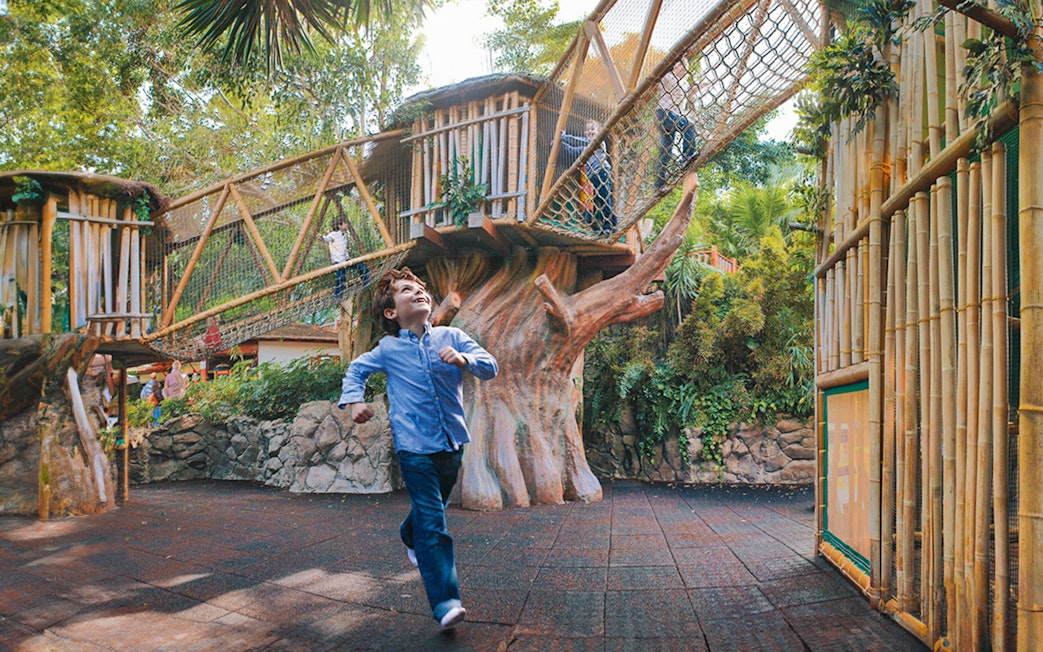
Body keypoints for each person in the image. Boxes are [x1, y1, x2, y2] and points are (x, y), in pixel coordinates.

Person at [338, 267, 498, 630]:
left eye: (421, 288)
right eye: (407, 290)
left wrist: (465, 360)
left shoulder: (452, 336)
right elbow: (356, 371)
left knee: (429, 514)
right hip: (413, 449)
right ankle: (445, 601)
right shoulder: (388, 349)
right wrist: (352, 402)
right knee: (434, 524)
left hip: (451, 445)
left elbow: (491, 367)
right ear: (391, 312)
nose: (418, 292)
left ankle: (409, 533)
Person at [559, 119, 617, 234]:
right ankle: (603, 226)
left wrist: (564, 137)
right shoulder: (585, 149)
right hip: (594, 177)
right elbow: (571, 150)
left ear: (598, 131)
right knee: (598, 201)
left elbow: (580, 141)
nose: (589, 132)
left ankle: (610, 226)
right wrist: (560, 144)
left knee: (605, 200)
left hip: (602, 172)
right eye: (587, 130)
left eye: (592, 129)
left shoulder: (599, 142)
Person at [656, 59, 701, 192]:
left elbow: (685, 95)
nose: (682, 68)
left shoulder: (685, 83)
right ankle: (687, 156)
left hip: (673, 117)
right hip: (664, 113)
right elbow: (660, 81)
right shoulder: (667, 76)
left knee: (665, 152)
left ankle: (659, 187)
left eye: (685, 66)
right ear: (675, 66)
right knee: (689, 126)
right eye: (680, 65)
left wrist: (697, 88)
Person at [317, 216, 371, 299]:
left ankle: (366, 282)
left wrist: (347, 257)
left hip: (345, 260)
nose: (347, 225)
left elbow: (344, 250)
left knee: (361, 266)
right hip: (338, 262)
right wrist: (321, 238)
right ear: (340, 225)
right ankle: (337, 296)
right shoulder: (333, 235)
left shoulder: (344, 235)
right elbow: (326, 239)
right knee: (341, 279)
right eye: (345, 223)